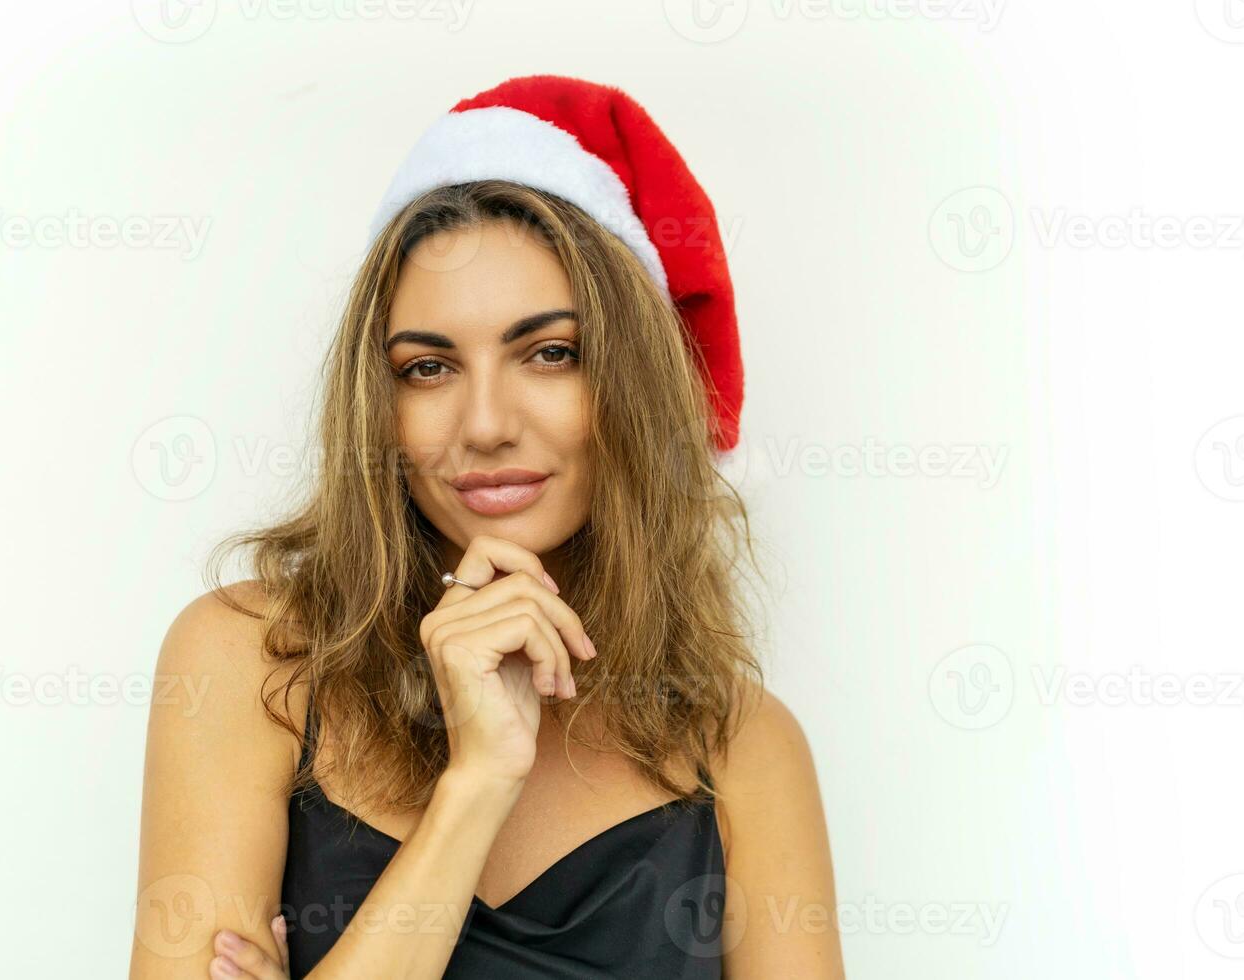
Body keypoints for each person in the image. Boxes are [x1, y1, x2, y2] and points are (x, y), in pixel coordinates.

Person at [129, 74, 843, 979]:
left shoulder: (743, 747)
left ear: (632, 381)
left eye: (550, 354)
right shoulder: (248, 658)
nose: (485, 424)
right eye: (428, 368)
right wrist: (476, 786)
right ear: (378, 407)